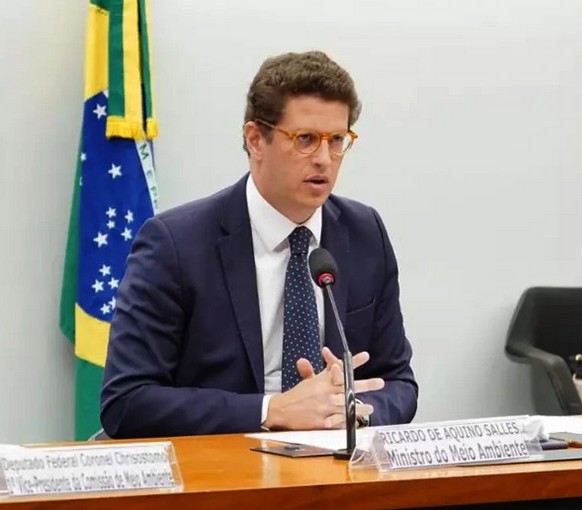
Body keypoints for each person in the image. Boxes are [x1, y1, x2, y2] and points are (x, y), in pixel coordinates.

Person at [100, 51, 419, 438]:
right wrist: (272, 410)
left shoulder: (365, 233)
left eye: (337, 140)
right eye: (305, 139)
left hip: (333, 465)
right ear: (255, 140)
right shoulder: (176, 244)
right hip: (223, 466)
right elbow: (127, 401)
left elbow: (398, 381)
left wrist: (353, 414)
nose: (324, 159)